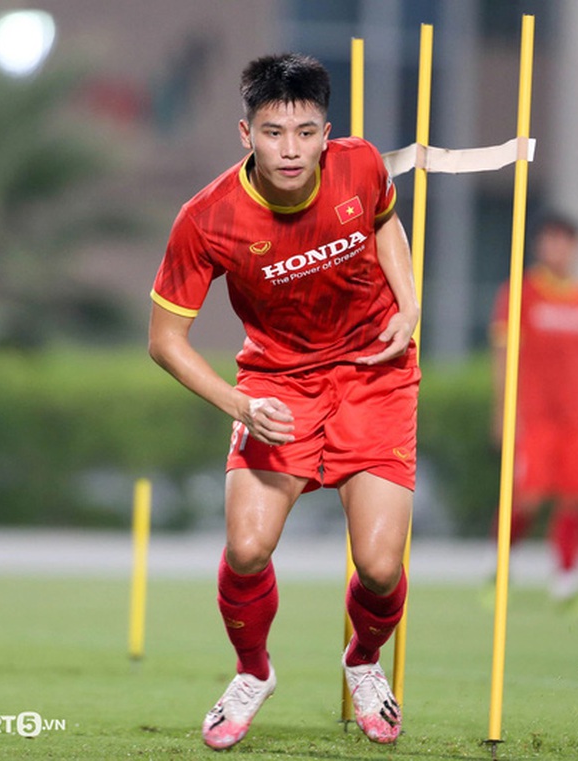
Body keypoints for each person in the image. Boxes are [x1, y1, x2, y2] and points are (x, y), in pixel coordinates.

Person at [148, 52, 420, 750]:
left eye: (304, 132)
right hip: (275, 383)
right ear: (246, 133)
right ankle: (253, 670)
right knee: (246, 547)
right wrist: (238, 404)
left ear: (326, 132)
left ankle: (363, 661)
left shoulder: (361, 166)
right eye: (274, 133)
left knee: (382, 564)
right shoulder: (206, 217)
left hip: (372, 371)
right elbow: (166, 342)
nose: (290, 149)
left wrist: (410, 306)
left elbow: (386, 220)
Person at [490, 213, 578, 602]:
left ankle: (566, 581)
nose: (557, 249)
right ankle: (501, 564)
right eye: (551, 240)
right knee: (527, 494)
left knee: (574, 496)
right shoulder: (519, 294)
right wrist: (501, 409)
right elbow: (503, 356)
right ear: (541, 246)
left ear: (576, 249)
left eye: (566, 241)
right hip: (535, 415)